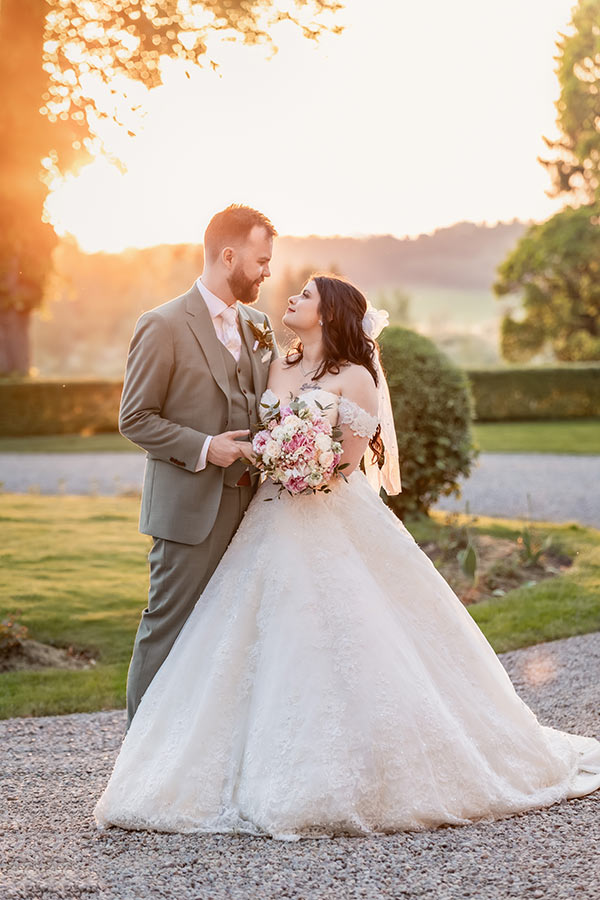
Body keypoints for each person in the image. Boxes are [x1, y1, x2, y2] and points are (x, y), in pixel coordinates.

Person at [95, 274, 600, 840]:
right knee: (252, 635)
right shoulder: (276, 363)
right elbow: (253, 417)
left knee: (342, 634)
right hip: (266, 512)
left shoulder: (356, 377)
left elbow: (349, 462)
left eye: (305, 295)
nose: (290, 296)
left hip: (324, 512)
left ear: (329, 314)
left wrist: (305, 467)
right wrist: (271, 456)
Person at [118, 204, 278, 728]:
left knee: (237, 636)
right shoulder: (162, 324)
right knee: (168, 629)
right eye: (260, 260)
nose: (267, 272)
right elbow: (135, 418)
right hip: (189, 512)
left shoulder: (260, 324)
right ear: (227, 255)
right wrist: (207, 447)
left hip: (255, 509)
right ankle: (139, 765)